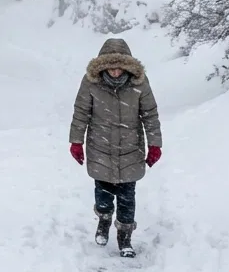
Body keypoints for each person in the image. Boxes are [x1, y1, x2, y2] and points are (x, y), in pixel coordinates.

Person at [68, 38, 163, 258]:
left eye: (119, 67)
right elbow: (81, 111)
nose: (116, 72)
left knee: (127, 195)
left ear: (127, 66)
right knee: (102, 193)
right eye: (111, 67)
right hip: (99, 145)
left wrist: (155, 144)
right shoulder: (91, 83)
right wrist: (76, 141)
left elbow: (150, 114)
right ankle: (103, 220)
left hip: (131, 147)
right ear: (103, 66)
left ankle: (125, 238)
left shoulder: (139, 83)